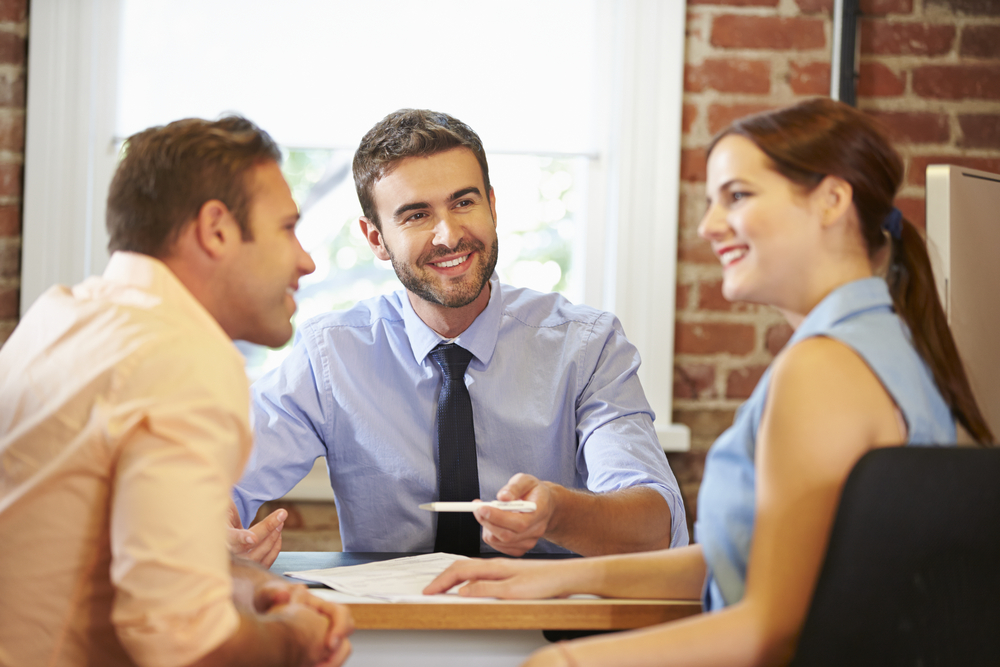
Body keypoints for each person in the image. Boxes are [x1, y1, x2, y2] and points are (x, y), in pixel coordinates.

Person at [423, 98, 995, 666]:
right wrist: (554, 580)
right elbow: (742, 562)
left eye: (737, 196)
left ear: (832, 200)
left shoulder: (823, 369)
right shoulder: (891, 346)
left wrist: (562, 663)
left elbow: (769, 628)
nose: (708, 226)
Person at [233, 109, 686, 558]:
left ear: (492, 205)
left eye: (464, 203)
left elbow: (657, 526)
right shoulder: (330, 356)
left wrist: (558, 515)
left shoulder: (588, 347)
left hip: (550, 623)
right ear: (375, 239)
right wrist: (222, 535)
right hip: (394, 626)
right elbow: (218, 487)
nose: (449, 236)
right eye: (416, 215)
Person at [0, 117, 354, 667]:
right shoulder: (183, 359)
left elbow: (117, 555)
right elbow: (187, 647)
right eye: (287, 228)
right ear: (216, 229)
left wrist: (243, 586)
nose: (305, 260)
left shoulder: (60, 317)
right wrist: (293, 638)